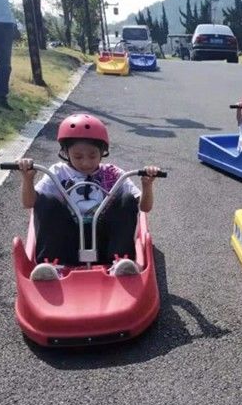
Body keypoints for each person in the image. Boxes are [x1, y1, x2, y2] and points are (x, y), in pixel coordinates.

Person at [15, 114, 162, 281]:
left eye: (92, 156)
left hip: (104, 242)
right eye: (78, 156)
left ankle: (121, 262)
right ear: (65, 152)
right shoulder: (57, 172)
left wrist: (147, 185)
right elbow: (29, 203)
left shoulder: (113, 174)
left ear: (102, 152)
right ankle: (53, 266)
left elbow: (145, 208)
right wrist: (27, 179)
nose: (86, 163)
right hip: (67, 240)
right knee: (46, 200)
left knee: (127, 198)